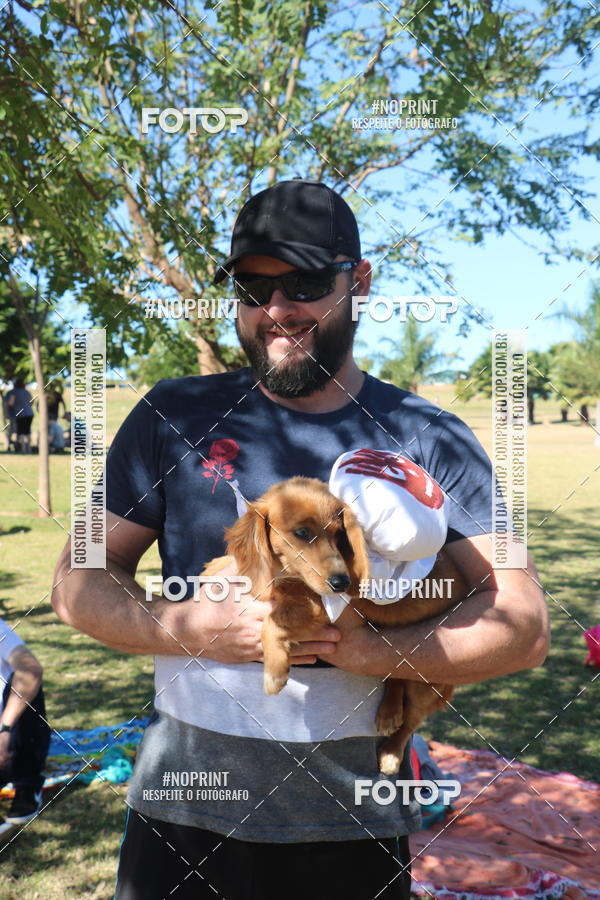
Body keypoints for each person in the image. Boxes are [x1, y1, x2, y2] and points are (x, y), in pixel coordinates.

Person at [51, 179, 549, 900]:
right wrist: (192, 629)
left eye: (306, 282)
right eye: (254, 289)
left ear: (360, 281)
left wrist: (366, 651)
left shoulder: (431, 436)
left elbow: (525, 623)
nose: (277, 310)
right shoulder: (170, 414)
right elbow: (76, 581)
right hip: (180, 820)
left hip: (352, 833)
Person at [0, 618, 50, 836]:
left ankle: (27, 786)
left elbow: (31, 669)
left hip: (9, 745)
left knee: (26, 683)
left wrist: (5, 729)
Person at [5, 378, 34, 454]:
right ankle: (29, 449)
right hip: (30, 414)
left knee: (21, 432)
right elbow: (32, 401)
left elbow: (11, 403)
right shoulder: (26, 392)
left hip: (20, 414)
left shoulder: (13, 392)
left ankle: (23, 449)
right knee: (27, 432)